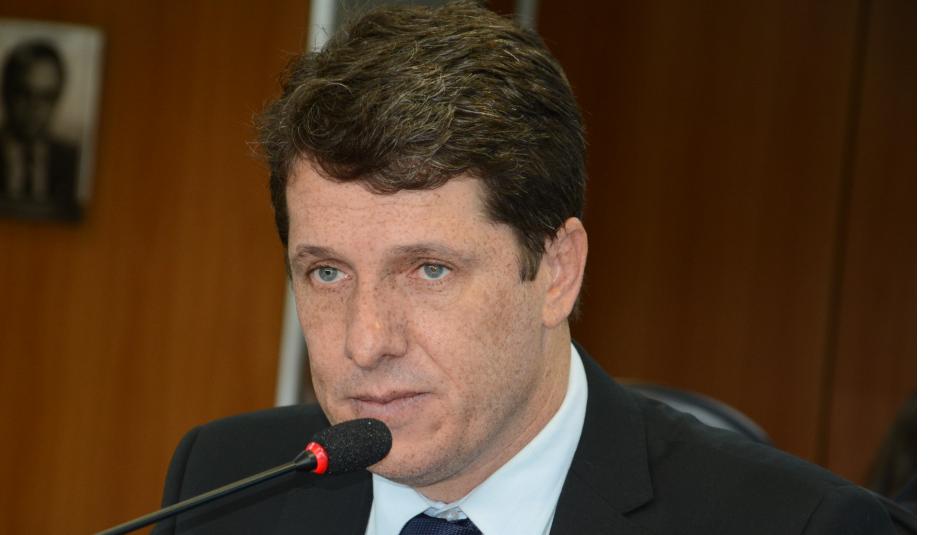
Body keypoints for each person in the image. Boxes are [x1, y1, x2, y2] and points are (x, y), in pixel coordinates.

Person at [156, 3, 896, 534]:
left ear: (557, 271)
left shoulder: (800, 524)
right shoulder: (224, 486)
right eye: (327, 274)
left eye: (429, 270)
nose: (366, 341)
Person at [0, 39, 80, 220]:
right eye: (24, 93)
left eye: (46, 97)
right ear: (6, 92)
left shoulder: (72, 161)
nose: (34, 107)